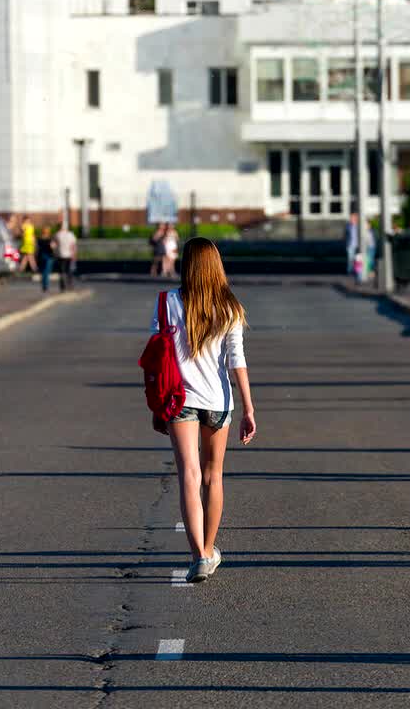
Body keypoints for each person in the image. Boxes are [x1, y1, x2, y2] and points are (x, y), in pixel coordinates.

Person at [152, 237, 256, 583]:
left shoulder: (167, 302)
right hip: (218, 402)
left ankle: (197, 555)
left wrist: (155, 404)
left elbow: (158, 355)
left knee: (189, 475)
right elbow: (237, 361)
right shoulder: (230, 306)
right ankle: (209, 549)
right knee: (213, 476)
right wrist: (248, 408)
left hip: (177, 400)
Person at [54, 222, 78, 291]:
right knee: (69, 271)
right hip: (69, 255)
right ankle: (70, 285)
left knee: (62, 271)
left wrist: (55, 253)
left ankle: (62, 286)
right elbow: (73, 245)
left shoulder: (57, 235)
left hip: (60, 255)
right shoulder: (71, 234)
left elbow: (54, 245)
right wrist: (74, 254)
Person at [38, 225, 56, 292]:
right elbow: (53, 247)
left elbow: (38, 248)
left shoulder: (39, 239)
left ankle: (44, 286)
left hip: (41, 256)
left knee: (43, 272)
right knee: (46, 272)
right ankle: (45, 286)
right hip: (49, 256)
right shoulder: (50, 239)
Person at [345, 213, 359, 280]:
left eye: (353, 217)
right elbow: (346, 235)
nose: (351, 219)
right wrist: (346, 244)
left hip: (358, 245)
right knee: (350, 259)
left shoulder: (359, 225)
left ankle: (357, 271)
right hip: (350, 245)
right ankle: (350, 271)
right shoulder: (348, 226)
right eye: (351, 218)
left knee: (357, 259)